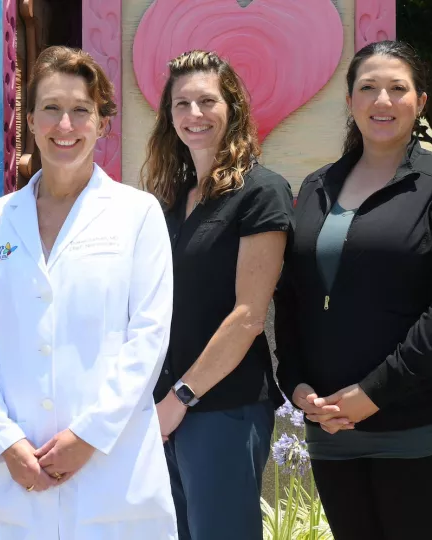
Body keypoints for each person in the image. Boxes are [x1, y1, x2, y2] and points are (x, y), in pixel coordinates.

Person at [0, 45, 178, 540]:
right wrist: (5, 439)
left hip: (110, 473)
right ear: (29, 120)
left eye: (81, 111)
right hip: (11, 474)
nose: (65, 125)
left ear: (102, 123)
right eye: (51, 109)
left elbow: (148, 337)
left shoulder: (137, 215)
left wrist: (88, 437)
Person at [274, 40, 432, 540]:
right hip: (333, 428)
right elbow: (292, 294)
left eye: (398, 88)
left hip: (425, 428)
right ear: (350, 101)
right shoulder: (317, 187)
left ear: (419, 101)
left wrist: (372, 394)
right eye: (368, 88)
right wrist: (297, 383)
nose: (382, 100)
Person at [142, 50, 294, 540]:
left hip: (220, 406)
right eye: (181, 103)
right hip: (162, 408)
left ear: (233, 109)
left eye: (207, 101)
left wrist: (181, 397)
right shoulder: (170, 200)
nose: (194, 114)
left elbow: (249, 315)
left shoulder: (261, 192)